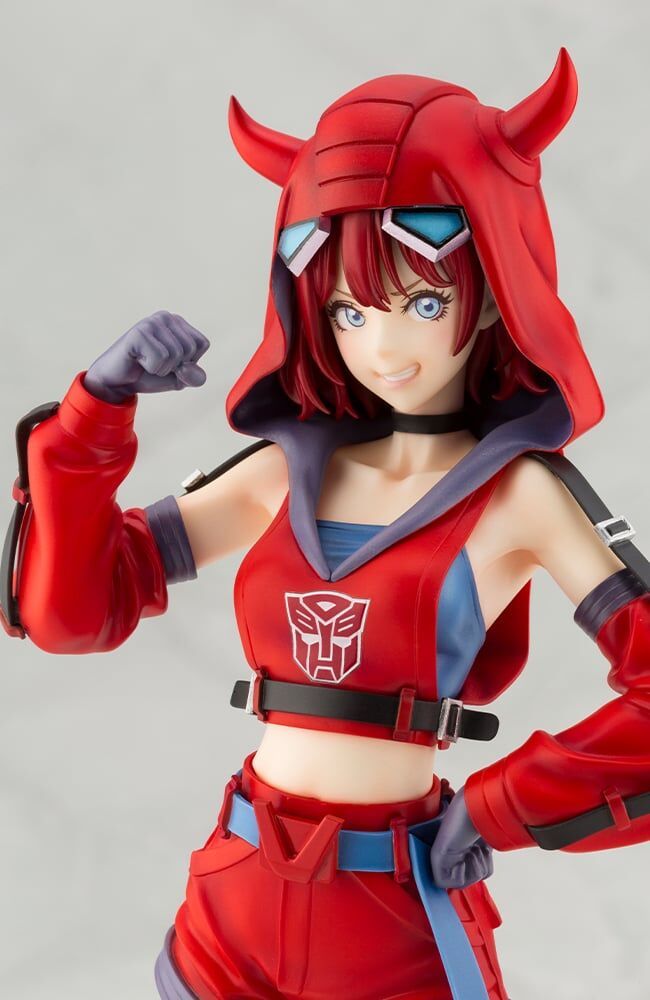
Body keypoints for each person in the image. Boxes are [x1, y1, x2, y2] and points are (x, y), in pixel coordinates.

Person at [3, 50, 650, 1000]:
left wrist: (504, 804)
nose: (383, 348)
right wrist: (92, 418)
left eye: (421, 302)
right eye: (350, 310)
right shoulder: (283, 473)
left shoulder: (519, 495)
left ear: (493, 289)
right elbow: (74, 611)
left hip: (392, 905)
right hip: (237, 896)